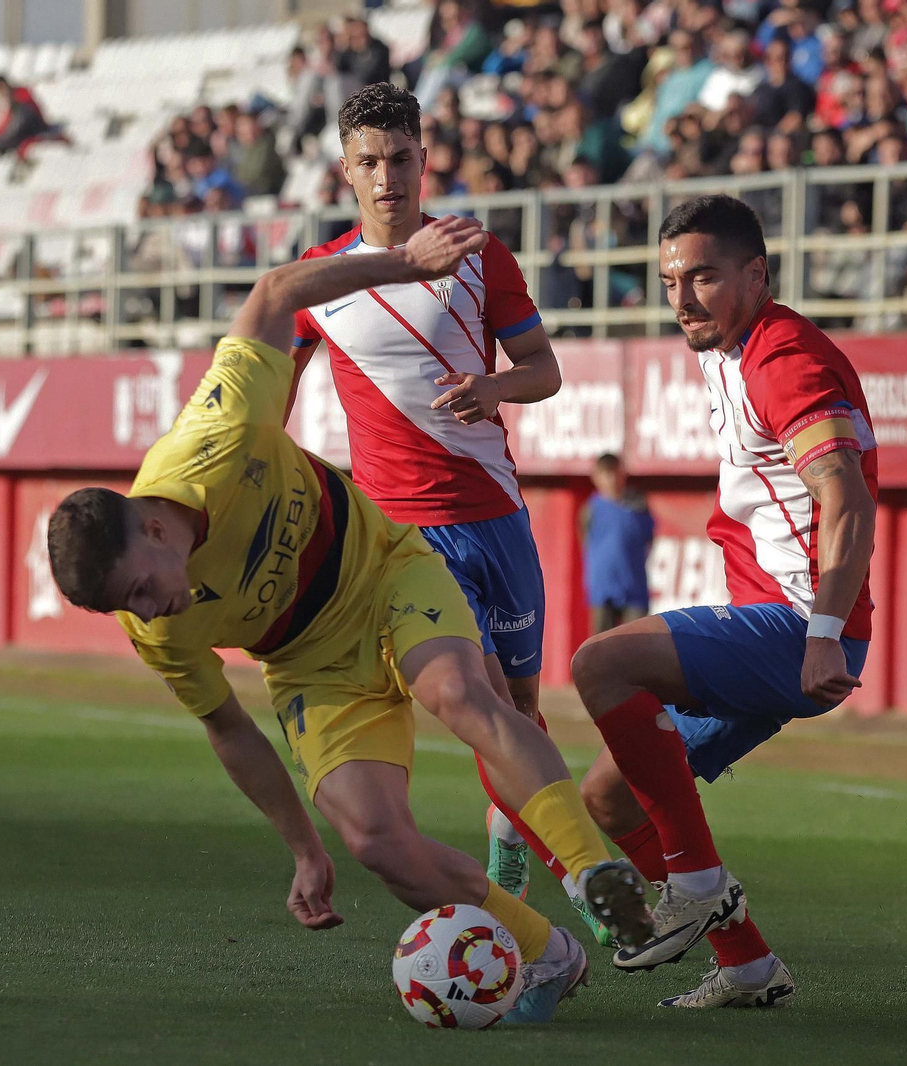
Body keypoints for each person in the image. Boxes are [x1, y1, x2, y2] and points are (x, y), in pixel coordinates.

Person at [45, 216, 652, 1023]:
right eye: (128, 608)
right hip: (308, 664)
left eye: (141, 589)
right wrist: (304, 846)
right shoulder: (153, 626)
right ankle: (547, 952)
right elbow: (229, 728)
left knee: (461, 696)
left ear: (154, 527)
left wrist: (401, 264)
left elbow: (273, 292)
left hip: (381, 571)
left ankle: (588, 871)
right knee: (377, 844)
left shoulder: (218, 434)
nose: (146, 612)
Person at [285, 83, 603, 941]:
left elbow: (544, 370)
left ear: (425, 160)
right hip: (401, 539)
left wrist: (494, 387)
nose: (387, 177)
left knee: (522, 709)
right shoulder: (323, 277)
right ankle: (574, 886)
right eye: (369, 162)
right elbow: (275, 390)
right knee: (479, 700)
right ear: (345, 171)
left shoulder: (477, 252)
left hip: (494, 513)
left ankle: (511, 838)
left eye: (401, 159)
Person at [572, 195, 879, 1010]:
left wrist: (822, 632)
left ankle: (698, 886)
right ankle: (746, 966)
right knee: (607, 795)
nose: (682, 298)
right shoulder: (726, 344)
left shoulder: (783, 360)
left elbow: (846, 497)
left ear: (757, 274)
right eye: (670, 280)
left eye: (703, 277)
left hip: (799, 628)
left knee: (600, 664)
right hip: (778, 623)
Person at [581, 454, 654, 635]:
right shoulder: (590, 509)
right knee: (601, 645)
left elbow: (649, 540)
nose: (611, 480)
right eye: (606, 474)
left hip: (634, 589)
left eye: (615, 473)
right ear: (596, 477)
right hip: (602, 590)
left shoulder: (639, 506)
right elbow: (584, 541)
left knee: (636, 643)